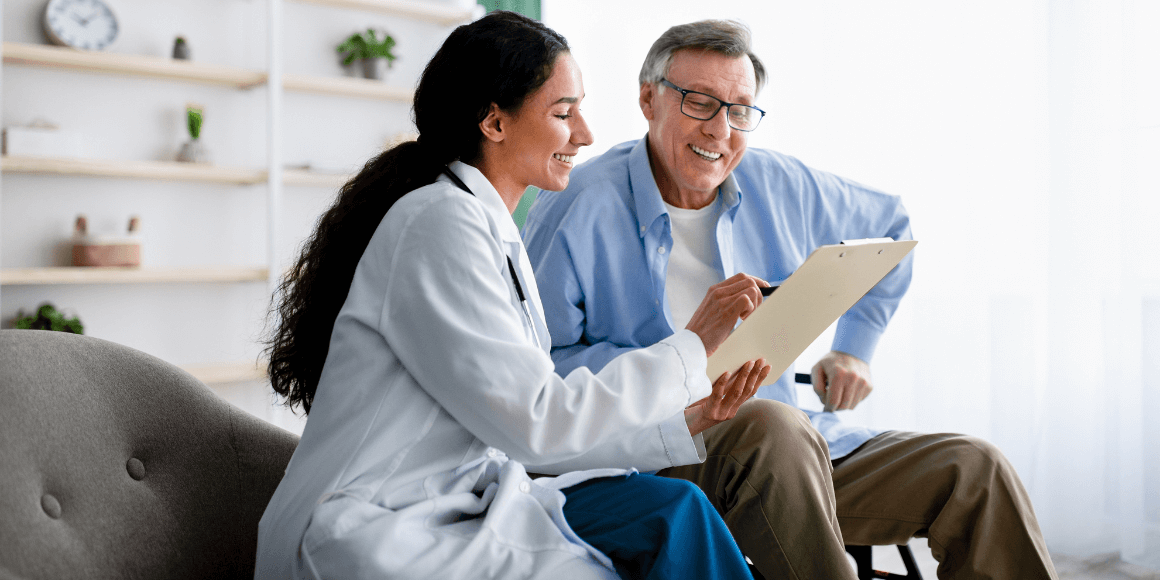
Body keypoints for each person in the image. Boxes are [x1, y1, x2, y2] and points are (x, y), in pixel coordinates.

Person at [522, 19, 1060, 580]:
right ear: (648, 99)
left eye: (739, 111)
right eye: (700, 103)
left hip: (795, 450)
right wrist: (682, 363)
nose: (720, 131)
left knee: (975, 470)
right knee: (773, 427)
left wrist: (855, 348)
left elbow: (890, 226)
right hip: (657, 450)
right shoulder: (577, 206)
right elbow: (540, 374)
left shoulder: (780, 183)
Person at [254, 11, 771, 580]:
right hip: (370, 526)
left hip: (454, 503)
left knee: (676, 512)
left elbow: (521, 434)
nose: (586, 134)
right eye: (563, 112)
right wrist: (692, 346)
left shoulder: (487, 225)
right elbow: (537, 422)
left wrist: (681, 424)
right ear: (495, 123)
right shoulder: (437, 223)